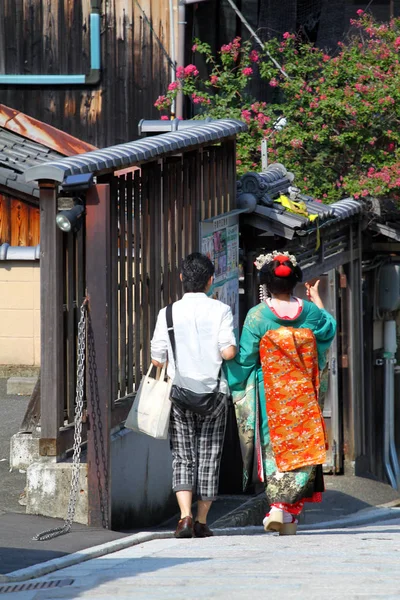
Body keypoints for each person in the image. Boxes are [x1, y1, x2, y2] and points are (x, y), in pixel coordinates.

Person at [225, 251, 336, 536]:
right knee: (303, 452)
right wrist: (316, 298)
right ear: (296, 281)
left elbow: (246, 360)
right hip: (303, 397)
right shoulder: (309, 313)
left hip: (270, 395)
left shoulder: (258, 316)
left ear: (266, 283)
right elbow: (328, 330)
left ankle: (278, 507)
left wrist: (224, 362)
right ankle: (289, 514)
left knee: (274, 452)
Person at [150, 252, 237, 539]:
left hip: (181, 395)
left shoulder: (168, 313)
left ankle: (184, 517)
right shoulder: (221, 310)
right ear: (211, 281)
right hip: (214, 395)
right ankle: (201, 521)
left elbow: (158, 359)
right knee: (210, 456)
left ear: (182, 279)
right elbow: (228, 352)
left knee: (183, 457)